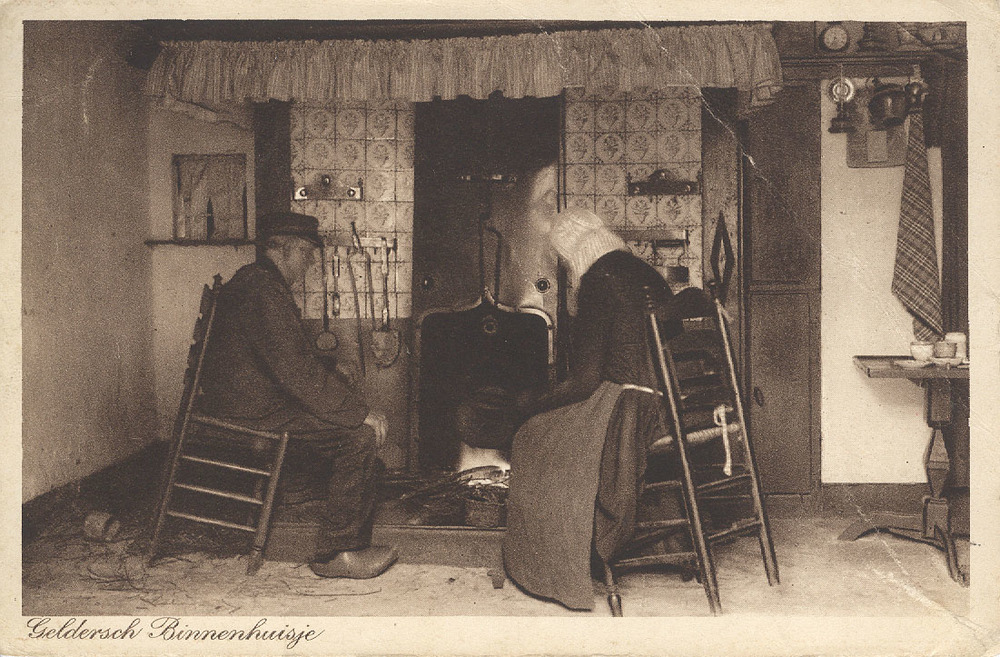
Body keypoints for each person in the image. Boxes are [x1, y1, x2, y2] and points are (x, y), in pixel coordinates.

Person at [500, 207, 704, 610]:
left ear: (573, 252)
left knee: (534, 437)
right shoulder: (643, 271)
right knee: (552, 428)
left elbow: (585, 382)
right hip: (671, 403)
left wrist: (529, 406)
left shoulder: (597, 280)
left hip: (633, 408)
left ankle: (562, 559)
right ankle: (658, 540)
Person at [198, 211, 397, 580]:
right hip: (251, 412)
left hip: (248, 400)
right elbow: (297, 373)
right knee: (359, 436)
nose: (309, 263)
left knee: (343, 416)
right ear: (282, 249)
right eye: (305, 253)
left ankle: (306, 499)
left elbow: (288, 359)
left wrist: (331, 370)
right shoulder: (262, 291)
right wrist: (358, 413)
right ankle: (337, 553)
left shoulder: (256, 282)